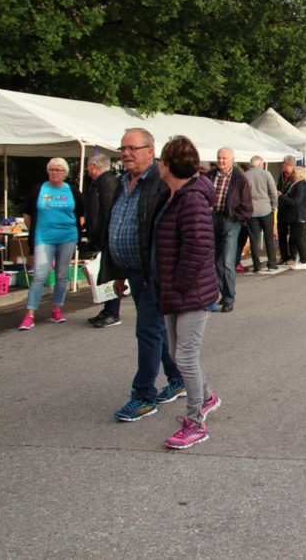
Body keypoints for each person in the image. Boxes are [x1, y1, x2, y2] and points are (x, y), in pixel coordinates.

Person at [99, 128, 185, 421]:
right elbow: (119, 225)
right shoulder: (122, 182)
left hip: (154, 273)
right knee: (155, 329)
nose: (125, 154)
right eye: (122, 148)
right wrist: (118, 272)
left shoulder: (160, 184)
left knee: (147, 330)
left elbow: (169, 230)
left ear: (150, 151)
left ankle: (144, 395)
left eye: (132, 148)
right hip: (133, 271)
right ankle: (177, 378)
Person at [153, 135, 221, 450]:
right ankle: (206, 397)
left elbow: (198, 245)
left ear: (169, 165)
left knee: (185, 356)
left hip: (190, 291)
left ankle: (196, 422)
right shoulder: (175, 195)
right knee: (176, 353)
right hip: (177, 289)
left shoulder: (191, 198)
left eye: (161, 161)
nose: (158, 166)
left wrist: (180, 282)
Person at [18, 158, 85, 330]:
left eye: (59, 170)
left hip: (67, 237)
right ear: (47, 171)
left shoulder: (73, 191)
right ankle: (29, 314)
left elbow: (81, 216)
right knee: (40, 275)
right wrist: (36, 231)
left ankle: (57, 309)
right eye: (52, 169)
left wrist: (74, 229)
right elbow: (27, 215)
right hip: (43, 238)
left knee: (62, 275)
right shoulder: (38, 190)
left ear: (65, 173)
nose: (55, 172)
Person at [206, 148, 252, 313]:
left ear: (232, 159)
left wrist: (236, 219)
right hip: (212, 219)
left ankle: (229, 299)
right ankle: (223, 294)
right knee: (215, 261)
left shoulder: (239, 179)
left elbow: (247, 205)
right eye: (219, 158)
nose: (221, 161)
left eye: (224, 158)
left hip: (230, 221)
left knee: (227, 261)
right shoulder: (210, 176)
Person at [84, 154, 121, 328]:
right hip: (102, 236)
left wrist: (105, 234)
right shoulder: (101, 182)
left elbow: (109, 210)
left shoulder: (106, 183)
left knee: (110, 273)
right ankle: (108, 309)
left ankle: (112, 311)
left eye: (88, 165)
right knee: (105, 273)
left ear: (94, 166)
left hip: (107, 236)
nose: (86, 168)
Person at [244, 155, 279, 273]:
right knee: (269, 238)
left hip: (251, 211)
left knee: (254, 239)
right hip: (266, 210)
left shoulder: (245, 175)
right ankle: (272, 264)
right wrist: (274, 205)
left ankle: (257, 266)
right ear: (259, 164)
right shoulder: (266, 174)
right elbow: (273, 191)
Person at [278, 165, 306, 269]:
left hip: (299, 216)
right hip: (295, 216)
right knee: (295, 239)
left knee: (300, 239)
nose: (293, 174)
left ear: (299, 174)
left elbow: (296, 201)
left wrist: (281, 196)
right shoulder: (297, 184)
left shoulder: (301, 185)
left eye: (295, 172)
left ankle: (303, 261)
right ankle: (297, 258)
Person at [276, 156, 298, 265]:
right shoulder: (281, 176)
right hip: (282, 209)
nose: (282, 165)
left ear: (288, 164)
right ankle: (283, 256)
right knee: (281, 234)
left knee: (293, 234)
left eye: (283, 163)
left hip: (292, 210)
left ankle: (292, 256)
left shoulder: (296, 176)